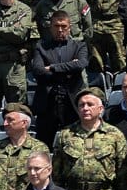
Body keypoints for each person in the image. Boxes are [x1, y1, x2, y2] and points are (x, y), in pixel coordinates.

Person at [30, 12, 89, 145]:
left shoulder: (79, 46)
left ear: (69, 27)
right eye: (56, 26)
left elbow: (81, 64)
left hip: (72, 102)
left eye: (64, 26)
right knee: (43, 145)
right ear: (50, 27)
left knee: (74, 143)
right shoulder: (41, 46)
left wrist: (51, 68)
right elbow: (38, 70)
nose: (60, 30)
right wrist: (69, 69)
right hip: (47, 103)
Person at [0, 103, 49, 190]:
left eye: (10, 120)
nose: (5, 123)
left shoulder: (39, 148)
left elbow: (41, 178)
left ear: (24, 123)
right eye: (4, 119)